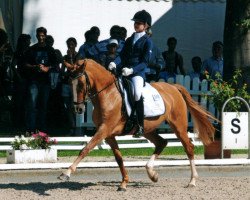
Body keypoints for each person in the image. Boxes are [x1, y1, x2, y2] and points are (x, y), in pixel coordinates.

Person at [109, 10, 153, 137]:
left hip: (137, 73)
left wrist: (132, 70)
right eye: (135, 23)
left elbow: (145, 62)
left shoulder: (147, 41)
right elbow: (122, 56)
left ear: (146, 26)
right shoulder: (130, 39)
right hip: (124, 71)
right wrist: (114, 63)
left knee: (137, 93)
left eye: (139, 23)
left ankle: (140, 125)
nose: (136, 25)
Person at [24, 27, 57, 135]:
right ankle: (31, 129)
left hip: (46, 82)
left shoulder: (50, 50)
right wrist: (35, 67)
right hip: (34, 81)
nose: (41, 38)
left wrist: (47, 68)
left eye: (43, 36)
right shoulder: (32, 49)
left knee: (43, 106)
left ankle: (42, 130)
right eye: (39, 36)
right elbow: (26, 64)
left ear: (45, 36)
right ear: (36, 36)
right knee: (32, 105)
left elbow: (55, 65)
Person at [12, 34, 31, 129]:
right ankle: (17, 122)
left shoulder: (30, 51)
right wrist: (18, 76)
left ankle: (24, 122)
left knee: (27, 102)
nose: (29, 42)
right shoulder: (18, 52)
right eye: (28, 40)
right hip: (21, 79)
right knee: (19, 102)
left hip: (29, 78)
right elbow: (13, 65)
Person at [61, 37, 78, 135]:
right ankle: (71, 127)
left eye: (72, 44)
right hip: (66, 84)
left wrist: (71, 57)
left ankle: (76, 127)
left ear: (75, 45)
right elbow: (63, 71)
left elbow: (74, 70)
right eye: (68, 45)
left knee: (73, 105)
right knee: (67, 106)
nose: (70, 46)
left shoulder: (78, 56)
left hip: (75, 84)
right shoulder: (64, 57)